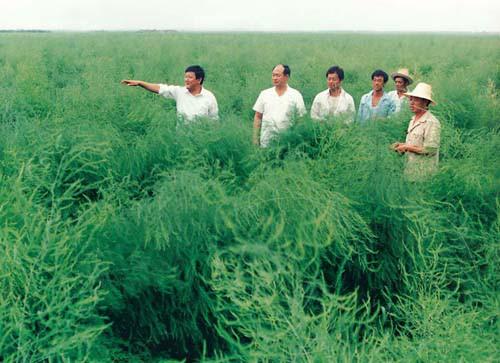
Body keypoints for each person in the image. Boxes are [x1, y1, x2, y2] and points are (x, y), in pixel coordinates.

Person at [121, 65, 218, 122]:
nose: (186, 80)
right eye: (185, 77)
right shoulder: (179, 92)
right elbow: (160, 88)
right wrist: (140, 83)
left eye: (190, 77)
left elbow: (214, 120)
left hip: (201, 138)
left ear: (199, 79)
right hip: (181, 139)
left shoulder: (209, 97)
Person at [391, 83, 441, 179]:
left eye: (416, 100)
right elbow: (415, 143)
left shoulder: (431, 122)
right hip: (410, 171)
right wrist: (401, 145)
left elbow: (431, 149)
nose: (411, 103)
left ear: (425, 102)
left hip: (424, 175)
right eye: (411, 99)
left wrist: (407, 147)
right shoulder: (413, 120)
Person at [253, 64, 306, 147]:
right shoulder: (264, 94)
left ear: (286, 77)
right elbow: (258, 116)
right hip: (266, 142)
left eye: (278, 75)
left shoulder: (296, 95)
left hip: (287, 143)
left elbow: (300, 119)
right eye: (273, 75)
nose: (274, 78)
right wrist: (255, 139)